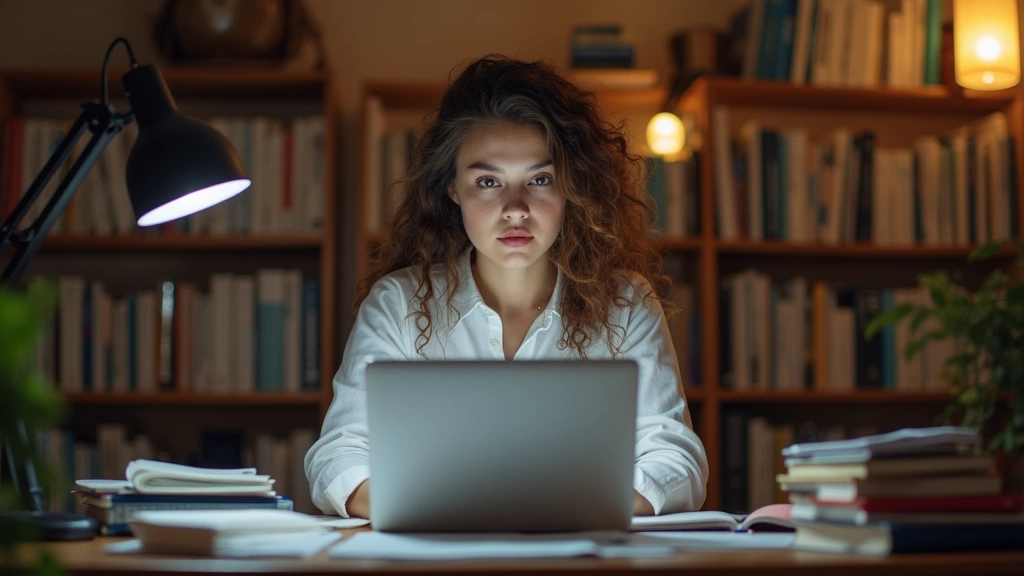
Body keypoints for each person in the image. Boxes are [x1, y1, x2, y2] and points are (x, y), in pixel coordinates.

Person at [305, 55, 708, 519]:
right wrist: (458, 509)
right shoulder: (398, 303)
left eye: (540, 179)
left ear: (571, 188)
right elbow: (337, 454)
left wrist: (546, 509)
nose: (515, 209)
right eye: (488, 181)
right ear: (453, 188)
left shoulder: (626, 302)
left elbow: (676, 459)